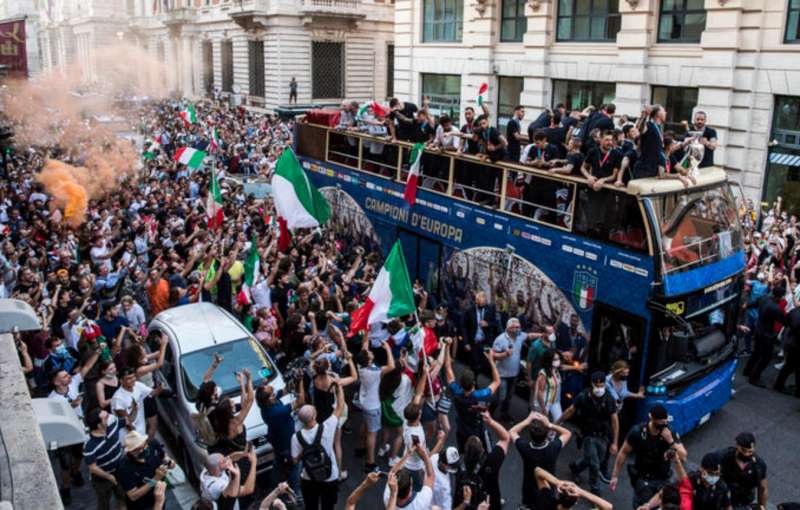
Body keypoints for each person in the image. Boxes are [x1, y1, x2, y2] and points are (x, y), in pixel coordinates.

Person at [610, 404, 687, 507]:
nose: (664, 425)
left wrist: (671, 441)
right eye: (661, 422)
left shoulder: (669, 432)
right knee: (641, 505)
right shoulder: (637, 432)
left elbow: (683, 456)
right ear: (651, 418)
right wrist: (615, 476)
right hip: (644, 480)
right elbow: (623, 452)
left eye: (666, 421)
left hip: (663, 479)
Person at [558, 371, 619, 495]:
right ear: (591, 384)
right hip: (588, 435)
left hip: (603, 436)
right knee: (595, 465)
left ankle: (576, 467)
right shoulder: (583, 396)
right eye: (596, 385)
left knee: (593, 459)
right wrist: (557, 422)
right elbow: (571, 410)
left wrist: (615, 443)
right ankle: (595, 490)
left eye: (601, 385)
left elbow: (615, 421)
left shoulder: (609, 399)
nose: (599, 388)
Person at [291, 379, 346, 510]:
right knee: (328, 506)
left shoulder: (296, 437)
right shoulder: (327, 427)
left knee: (311, 506)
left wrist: (304, 452)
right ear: (314, 416)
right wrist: (339, 388)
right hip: (329, 476)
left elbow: (294, 460)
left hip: (309, 477)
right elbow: (340, 407)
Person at [444, 342, 501, 451]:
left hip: (461, 430)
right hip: (477, 432)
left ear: (460, 383)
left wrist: (447, 347)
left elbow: (447, 369)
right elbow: (497, 381)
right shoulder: (481, 395)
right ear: (474, 383)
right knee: (482, 452)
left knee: (463, 452)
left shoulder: (456, 392)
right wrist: (491, 360)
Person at [256, 376, 305, 498]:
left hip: (276, 439)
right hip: (285, 442)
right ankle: (296, 492)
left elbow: (284, 391)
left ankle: (274, 483)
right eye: (272, 395)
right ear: (268, 400)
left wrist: (295, 380)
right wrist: (301, 381)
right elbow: (300, 401)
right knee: (296, 465)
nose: (275, 394)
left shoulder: (266, 403)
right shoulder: (275, 412)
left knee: (278, 461)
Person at [511, 411, 571, 509]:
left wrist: (527, 420)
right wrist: (549, 424)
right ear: (547, 433)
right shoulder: (553, 448)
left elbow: (512, 431)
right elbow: (567, 433)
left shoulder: (525, 449)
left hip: (529, 492)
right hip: (547, 490)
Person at [453, 411, 510, 510]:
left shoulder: (458, 464)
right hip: (490, 501)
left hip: (468, 501)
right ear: (482, 450)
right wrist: (490, 421)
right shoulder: (492, 460)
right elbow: (505, 438)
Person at [356, 340, 395, 471]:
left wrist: (367, 333)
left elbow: (364, 348)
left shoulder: (360, 366)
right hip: (373, 406)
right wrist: (388, 348)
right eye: (369, 353)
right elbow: (391, 366)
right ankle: (370, 463)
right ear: (368, 360)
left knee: (365, 425)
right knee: (372, 434)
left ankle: (360, 448)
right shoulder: (374, 372)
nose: (370, 351)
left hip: (365, 403)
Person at [490, 317, 537, 422]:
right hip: (502, 375)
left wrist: (542, 335)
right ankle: (490, 411)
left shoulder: (520, 336)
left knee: (509, 397)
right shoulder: (500, 339)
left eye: (519, 327)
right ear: (509, 328)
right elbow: (493, 355)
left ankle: (504, 414)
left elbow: (529, 336)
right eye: (516, 327)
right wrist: (505, 354)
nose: (519, 329)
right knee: (500, 397)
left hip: (514, 374)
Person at [116, 431, 175, 510]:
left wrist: (169, 462)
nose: (142, 450)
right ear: (130, 451)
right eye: (137, 450)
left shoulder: (153, 443)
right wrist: (155, 479)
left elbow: (164, 457)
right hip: (142, 505)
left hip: (159, 497)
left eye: (144, 446)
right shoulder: (124, 467)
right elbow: (133, 496)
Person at [745, 285, 788, 386]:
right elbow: (785, 321)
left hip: (758, 329)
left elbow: (751, 304)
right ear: (780, 297)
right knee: (766, 357)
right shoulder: (776, 308)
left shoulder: (763, 298)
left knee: (756, 352)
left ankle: (747, 370)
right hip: (767, 335)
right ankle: (754, 378)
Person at [84, 408, 125, 510]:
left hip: (119, 470)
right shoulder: (89, 446)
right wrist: (109, 477)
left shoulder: (113, 425)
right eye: (106, 417)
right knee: (104, 504)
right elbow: (93, 468)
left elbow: (129, 420)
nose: (109, 417)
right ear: (99, 425)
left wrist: (135, 409)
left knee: (122, 497)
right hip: (101, 479)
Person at [112, 366, 164, 441]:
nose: (132, 380)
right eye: (128, 378)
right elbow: (126, 422)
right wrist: (138, 438)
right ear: (121, 381)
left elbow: (151, 393)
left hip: (141, 433)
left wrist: (160, 388)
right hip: (129, 437)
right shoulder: (118, 399)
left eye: (133, 377)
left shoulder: (138, 385)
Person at [719, 432, 768, 510]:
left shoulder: (759, 465)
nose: (746, 454)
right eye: (744, 450)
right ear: (737, 445)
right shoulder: (725, 456)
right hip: (724, 499)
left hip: (745, 502)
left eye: (750, 451)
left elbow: (762, 488)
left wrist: (762, 507)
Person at [534, 467, 613, 510]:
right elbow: (608, 507)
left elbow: (537, 471)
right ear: (576, 502)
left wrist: (558, 482)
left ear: (558, 495)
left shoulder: (546, 501)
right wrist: (581, 491)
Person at [461, 291, 497, 375]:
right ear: (476, 301)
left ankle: (475, 377)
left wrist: (488, 324)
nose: (483, 303)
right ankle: (473, 381)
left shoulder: (490, 308)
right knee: (474, 364)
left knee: (483, 364)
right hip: (473, 342)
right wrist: (466, 342)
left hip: (485, 342)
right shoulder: (469, 310)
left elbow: (495, 323)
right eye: (480, 301)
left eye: (484, 301)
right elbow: (463, 327)